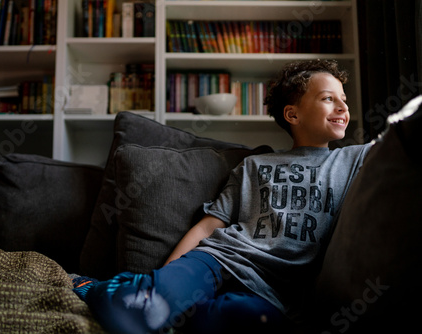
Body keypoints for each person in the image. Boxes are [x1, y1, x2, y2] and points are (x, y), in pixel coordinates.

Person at [73, 59, 373, 333]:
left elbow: (402, 134)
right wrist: (166, 280)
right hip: (218, 260)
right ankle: (94, 288)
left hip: (272, 288)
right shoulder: (255, 165)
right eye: (328, 98)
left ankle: (174, 315)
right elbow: (208, 226)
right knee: (143, 307)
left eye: (343, 100)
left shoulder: (352, 160)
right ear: (292, 114)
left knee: (245, 319)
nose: (343, 108)